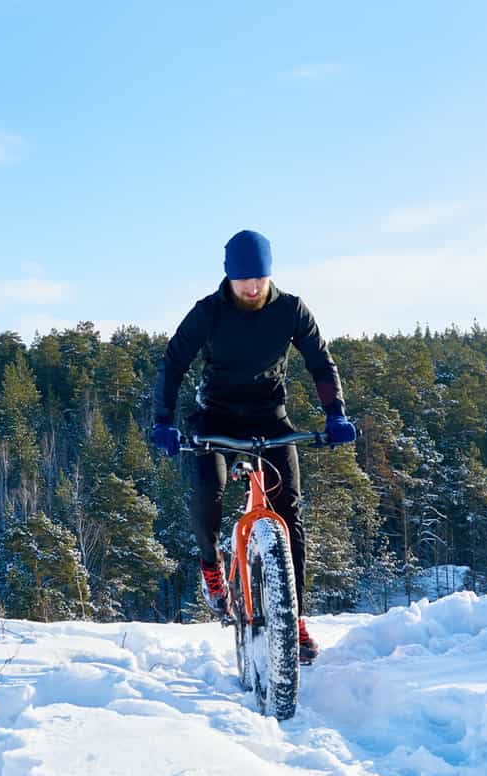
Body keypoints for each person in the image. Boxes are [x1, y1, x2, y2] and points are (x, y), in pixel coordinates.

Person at [150, 230, 356, 664]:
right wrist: (163, 421)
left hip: (269, 414)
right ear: (229, 277)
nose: (253, 287)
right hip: (217, 416)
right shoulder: (208, 313)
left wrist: (335, 413)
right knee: (210, 489)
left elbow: (319, 361)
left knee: (289, 510)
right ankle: (212, 566)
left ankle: (294, 618)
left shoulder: (290, 310)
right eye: (244, 279)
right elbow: (173, 363)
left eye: (260, 278)